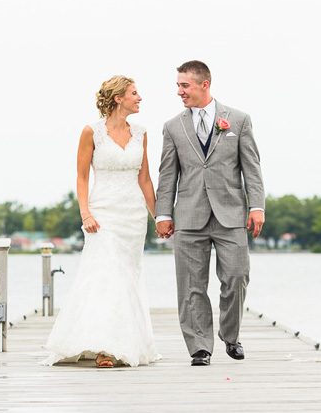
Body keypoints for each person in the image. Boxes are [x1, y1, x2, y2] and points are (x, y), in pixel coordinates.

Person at [42, 75, 161, 368]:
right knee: (106, 275)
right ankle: (104, 348)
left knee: (127, 277)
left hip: (132, 215)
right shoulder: (91, 132)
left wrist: (159, 217)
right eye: (135, 93)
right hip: (103, 212)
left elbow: (145, 179)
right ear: (118, 97)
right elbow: (82, 177)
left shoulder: (141, 132)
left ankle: (125, 342)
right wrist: (86, 213)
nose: (140, 98)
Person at [155, 60, 265, 367]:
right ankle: (199, 347)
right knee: (191, 286)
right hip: (189, 215)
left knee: (236, 276)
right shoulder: (173, 127)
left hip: (231, 214)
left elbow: (251, 168)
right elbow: (167, 176)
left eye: (184, 85)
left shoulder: (239, 120)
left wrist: (257, 207)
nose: (179, 92)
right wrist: (162, 214)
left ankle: (230, 335)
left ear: (205, 84)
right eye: (178, 86)